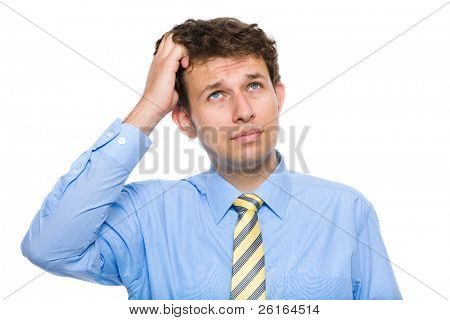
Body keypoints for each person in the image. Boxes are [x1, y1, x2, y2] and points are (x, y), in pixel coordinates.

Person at [21, 17, 402, 300]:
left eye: (254, 86)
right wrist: (149, 108)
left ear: (278, 96)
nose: (243, 111)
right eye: (217, 95)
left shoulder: (347, 211)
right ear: (185, 120)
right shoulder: (147, 215)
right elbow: (49, 248)